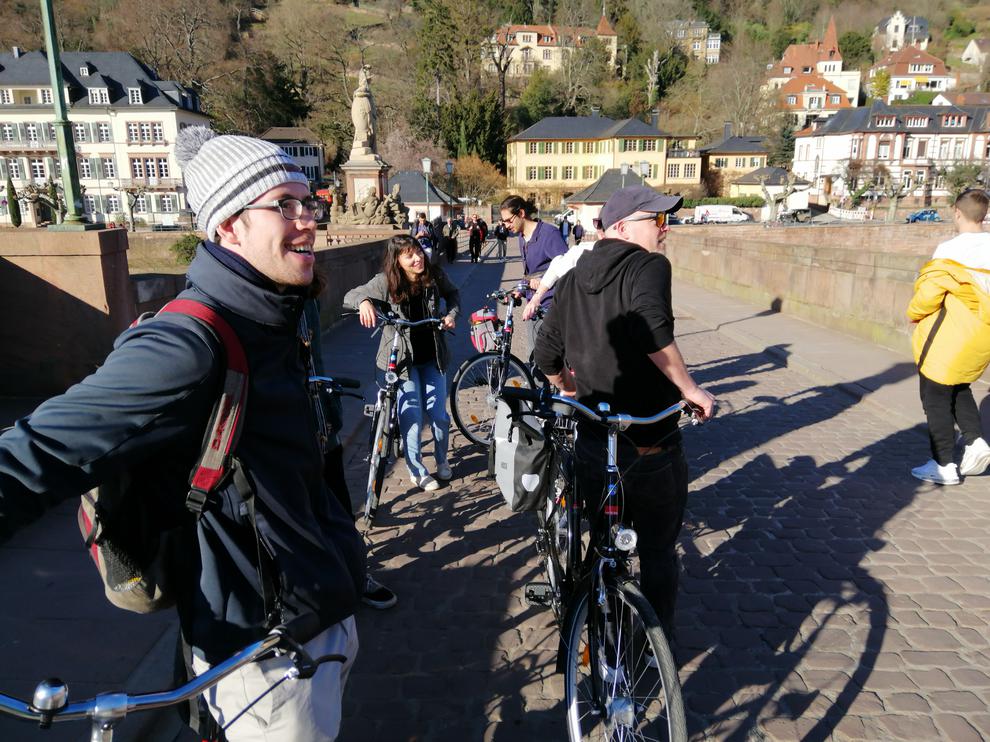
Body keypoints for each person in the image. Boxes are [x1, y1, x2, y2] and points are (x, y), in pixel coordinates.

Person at [0, 127, 365, 741]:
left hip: (314, 623)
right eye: (286, 205)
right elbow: (37, 451)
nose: (309, 221)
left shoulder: (270, 315)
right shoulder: (186, 344)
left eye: (311, 202)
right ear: (228, 225)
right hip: (263, 657)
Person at [534, 185, 716, 638]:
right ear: (620, 227)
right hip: (650, 439)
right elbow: (651, 327)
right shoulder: (649, 265)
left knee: (602, 547)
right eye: (654, 221)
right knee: (656, 552)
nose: (664, 229)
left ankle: (598, 635)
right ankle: (655, 649)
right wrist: (690, 389)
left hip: (595, 438)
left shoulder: (574, 276)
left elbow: (545, 355)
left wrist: (573, 391)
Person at [343, 236, 460, 491]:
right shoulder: (385, 282)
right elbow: (351, 294)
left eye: (417, 251)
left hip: (433, 357)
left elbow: (453, 295)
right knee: (414, 417)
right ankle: (416, 469)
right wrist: (363, 302)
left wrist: (451, 315)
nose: (417, 258)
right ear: (397, 260)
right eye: (409, 255)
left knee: (439, 415)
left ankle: (442, 460)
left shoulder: (434, 275)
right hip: (402, 363)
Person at [304, 300, 397, 610]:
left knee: (340, 507)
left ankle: (355, 576)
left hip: (318, 420)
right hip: (279, 433)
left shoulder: (304, 297)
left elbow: (315, 359)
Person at [907, 188, 990, 485]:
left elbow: (929, 294)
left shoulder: (949, 250)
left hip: (949, 333)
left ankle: (942, 465)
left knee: (934, 397)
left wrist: (914, 313)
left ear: (957, 212)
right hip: (982, 336)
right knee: (959, 387)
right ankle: (976, 441)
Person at [498, 194, 569, 348]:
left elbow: (567, 269)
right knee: (534, 357)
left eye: (509, 220)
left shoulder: (549, 234)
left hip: (551, 306)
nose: (506, 226)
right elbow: (531, 273)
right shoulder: (522, 237)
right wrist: (519, 289)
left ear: (521, 214)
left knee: (547, 360)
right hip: (533, 305)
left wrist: (543, 282)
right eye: (503, 222)